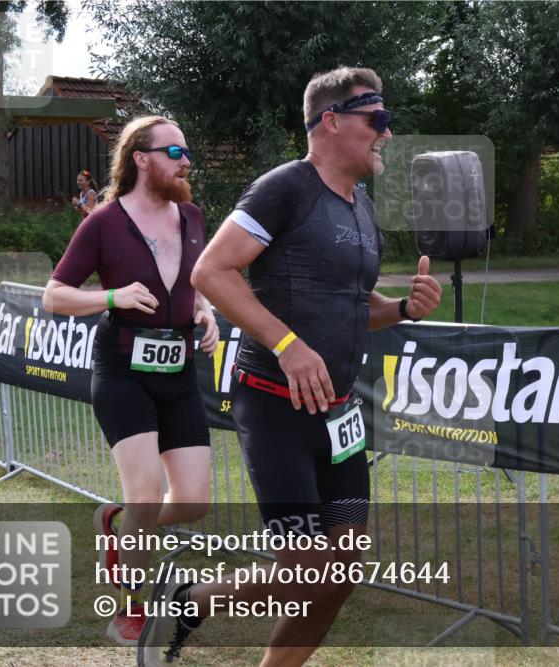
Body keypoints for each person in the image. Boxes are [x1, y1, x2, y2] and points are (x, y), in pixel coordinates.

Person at [137, 67, 442, 667]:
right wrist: (287, 345)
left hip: (338, 414)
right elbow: (212, 272)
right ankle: (187, 600)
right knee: (305, 571)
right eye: (376, 120)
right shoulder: (286, 188)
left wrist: (403, 308)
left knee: (341, 574)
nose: (386, 133)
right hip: (275, 404)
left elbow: (353, 306)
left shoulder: (360, 209)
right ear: (331, 122)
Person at [42, 116, 218, 645]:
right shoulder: (104, 221)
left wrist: (206, 311)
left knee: (193, 502)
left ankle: (121, 529)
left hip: (180, 374)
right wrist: (112, 297)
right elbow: (54, 295)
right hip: (122, 374)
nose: (185, 159)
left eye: (186, 150)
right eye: (174, 151)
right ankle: (134, 606)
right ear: (141, 158)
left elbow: (196, 282)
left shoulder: (191, 216)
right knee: (145, 496)